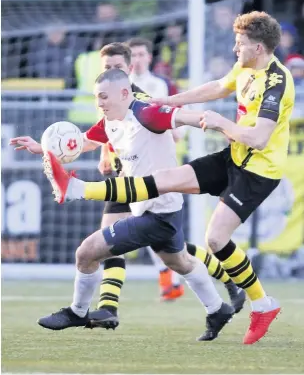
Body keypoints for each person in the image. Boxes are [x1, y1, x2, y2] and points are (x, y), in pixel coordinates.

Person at [42, 11, 295, 345]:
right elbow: (218, 87)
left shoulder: (277, 81)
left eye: (241, 44)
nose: (235, 49)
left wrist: (221, 124)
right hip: (232, 158)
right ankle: (219, 306)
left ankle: (262, 304)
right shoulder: (247, 68)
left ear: (259, 47)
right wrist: (165, 100)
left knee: (215, 240)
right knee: (165, 185)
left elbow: (260, 138)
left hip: (258, 170)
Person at [10, 43, 245, 327]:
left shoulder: (145, 112)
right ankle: (217, 308)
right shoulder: (110, 120)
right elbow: (82, 142)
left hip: (157, 211)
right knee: (180, 261)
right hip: (149, 204)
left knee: (87, 252)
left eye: (103, 97)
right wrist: (43, 148)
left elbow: (183, 117)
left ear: (124, 89)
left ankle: (79, 311)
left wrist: (222, 125)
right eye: (97, 97)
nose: (99, 103)